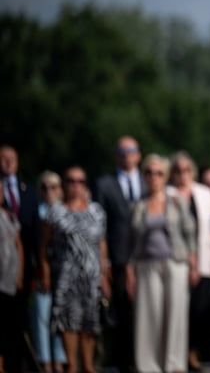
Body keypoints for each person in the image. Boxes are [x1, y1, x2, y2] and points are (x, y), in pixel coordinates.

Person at [126, 154, 196, 373]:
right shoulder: (139, 205)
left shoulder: (176, 201)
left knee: (176, 313)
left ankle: (174, 364)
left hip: (175, 261)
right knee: (149, 316)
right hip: (147, 263)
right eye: (149, 173)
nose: (154, 177)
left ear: (165, 177)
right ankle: (149, 366)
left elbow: (189, 232)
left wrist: (193, 263)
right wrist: (130, 270)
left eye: (158, 173)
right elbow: (132, 242)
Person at [40, 166, 110, 373]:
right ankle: (71, 365)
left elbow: (102, 244)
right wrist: (45, 273)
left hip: (91, 276)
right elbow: (44, 245)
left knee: (89, 321)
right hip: (65, 276)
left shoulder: (96, 211)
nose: (75, 185)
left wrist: (105, 274)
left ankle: (88, 365)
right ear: (64, 184)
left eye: (80, 181)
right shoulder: (55, 212)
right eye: (71, 181)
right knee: (67, 321)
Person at [92, 136, 145, 372]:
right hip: (119, 258)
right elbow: (99, 227)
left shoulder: (149, 180)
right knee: (124, 312)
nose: (127, 155)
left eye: (131, 150)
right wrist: (104, 263)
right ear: (116, 156)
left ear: (138, 154)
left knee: (146, 311)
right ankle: (125, 362)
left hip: (148, 256)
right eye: (122, 151)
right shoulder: (104, 184)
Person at [170, 151, 210, 370]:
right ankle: (177, 354)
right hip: (175, 261)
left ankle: (193, 351)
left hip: (202, 261)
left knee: (199, 311)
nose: (182, 174)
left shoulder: (204, 194)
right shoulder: (167, 194)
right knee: (177, 311)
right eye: (177, 170)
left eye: (186, 170)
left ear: (193, 172)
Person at [1, 143, 40, 373]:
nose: (8, 162)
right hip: (2, 267)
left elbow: (33, 232)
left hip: (20, 269)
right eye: (3, 158)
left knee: (18, 320)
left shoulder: (29, 190)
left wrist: (35, 266)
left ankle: (16, 365)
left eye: (12, 158)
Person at [30, 171, 68, 373]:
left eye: (53, 187)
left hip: (64, 272)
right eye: (44, 187)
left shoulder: (67, 212)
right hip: (40, 272)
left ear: (60, 189)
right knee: (42, 318)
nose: (49, 191)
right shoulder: (35, 212)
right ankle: (44, 361)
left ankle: (59, 360)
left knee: (61, 318)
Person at [0, 174, 24, 373]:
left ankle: (10, 364)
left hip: (10, 280)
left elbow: (19, 245)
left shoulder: (9, 215)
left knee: (10, 325)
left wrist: (20, 274)